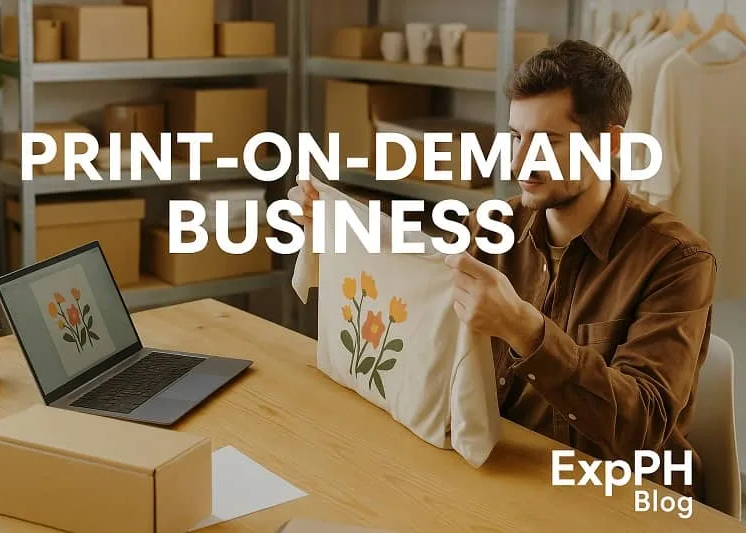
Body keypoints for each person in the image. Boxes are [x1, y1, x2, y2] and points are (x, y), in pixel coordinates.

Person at [287, 39, 715, 502]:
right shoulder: (493, 227)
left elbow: (644, 428)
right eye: (516, 137)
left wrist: (528, 332)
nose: (517, 164)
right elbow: (420, 305)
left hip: (617, 499)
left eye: (548, 142)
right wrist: (339, 230)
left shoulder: (677, 260)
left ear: (609, 143)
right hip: (505, 475)